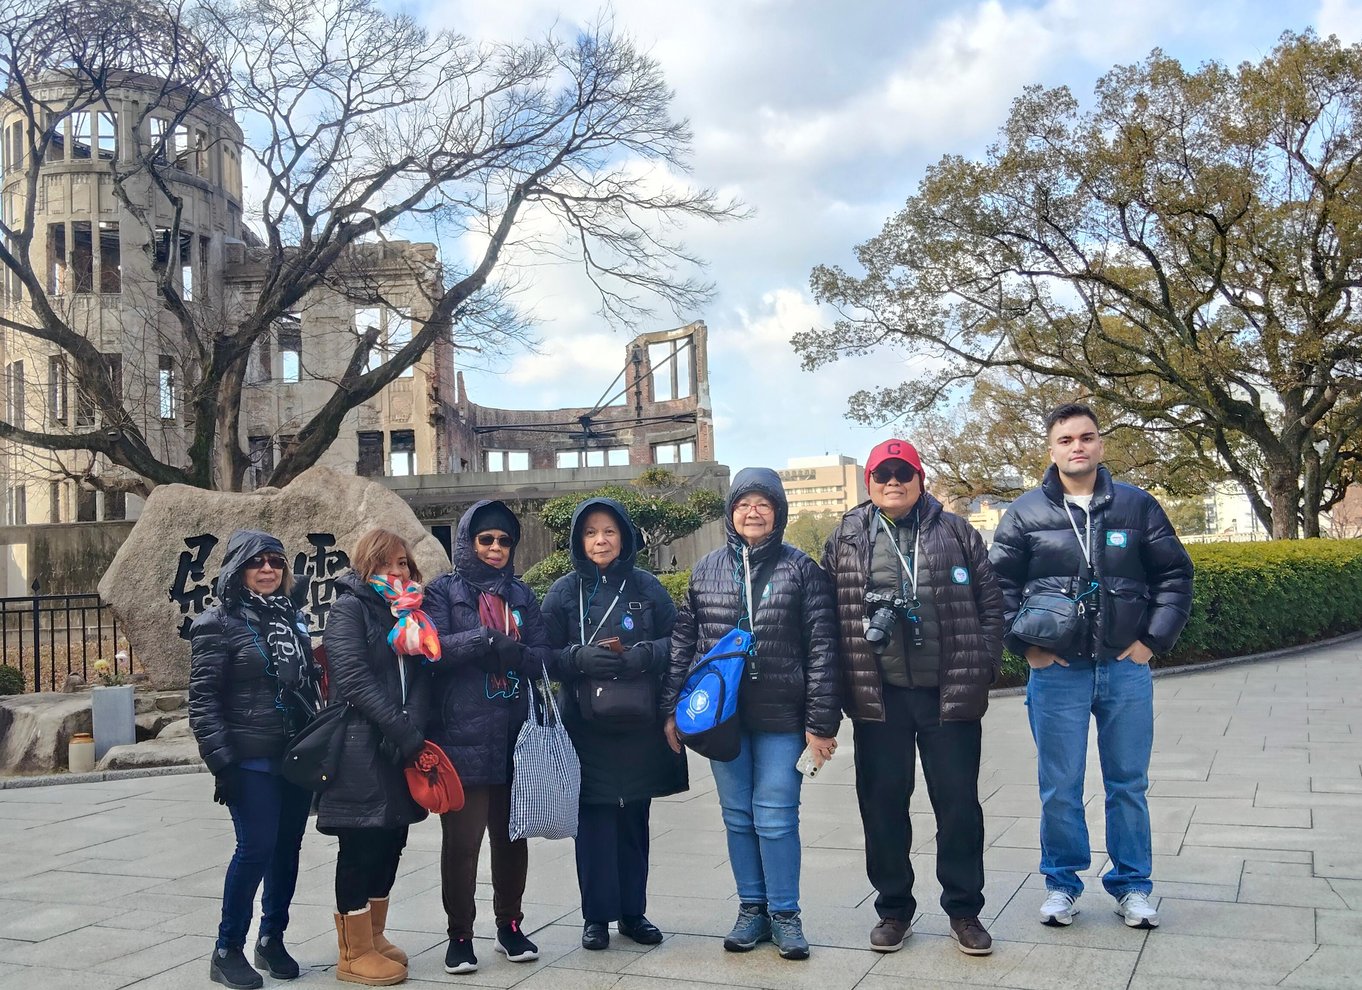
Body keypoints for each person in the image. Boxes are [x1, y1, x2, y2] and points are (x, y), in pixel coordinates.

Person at [990, 403, 1193, 930]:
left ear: (1100, 444)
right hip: (1057, 671)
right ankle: (1061, 883)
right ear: (1051, 448)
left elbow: (1174, 575)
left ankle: (1131, 886)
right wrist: (1024, 647)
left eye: (1086, 437)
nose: (1077, 447)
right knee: (1060, 785)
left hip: (1125, 669)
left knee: (1128, 783)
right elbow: (997, 590)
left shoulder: (1137, 506)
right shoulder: (1025, 512)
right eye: (1066, 440)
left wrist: (1152, 640)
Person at [821, 439, 1004, 957]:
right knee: (881, 806)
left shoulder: (955, 531)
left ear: (921, 478)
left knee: (959, 806)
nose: (894, 481)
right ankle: (893, 908)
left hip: (949, 695)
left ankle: (964, 909)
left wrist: (984, 665)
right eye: (884, 473)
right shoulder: (848, 538)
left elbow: (991, 602)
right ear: (869, 481)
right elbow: (827, 618)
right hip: (879, 699)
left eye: (905, 472)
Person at [660, 468, 839, 961]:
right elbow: (683, 644)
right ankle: (751, 910)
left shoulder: (802, 570)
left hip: (784, 716)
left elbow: (823, 649)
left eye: (763, 503)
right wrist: (671, 708)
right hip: (724, 718)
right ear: (730, 512)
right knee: (738, 817)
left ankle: (785, 914)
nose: (752, 512)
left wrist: (821, 724)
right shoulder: (706, 570)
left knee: (777, 816)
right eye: (743, 504)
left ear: (778, 512)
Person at [540, 497, 688, 951]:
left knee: (634, 821)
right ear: (578, 541)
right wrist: (575, 657)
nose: (600, 540)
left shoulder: (646, 586)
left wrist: (646, 654)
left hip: (639, 723)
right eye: (590, 533)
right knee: (594, 821)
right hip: (585, 726)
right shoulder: (563, 592)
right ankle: (596, 917)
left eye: (609, 531)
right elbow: (542, 655)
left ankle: (633, 912)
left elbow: (678, 639)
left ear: (623, 537)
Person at [425, 501, 552, 975]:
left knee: (511, 837)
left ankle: (510, 925)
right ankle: (460, 934)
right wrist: (484, 640)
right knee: (462, 843)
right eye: (486, 540)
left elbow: (542, 657)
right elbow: (431, 650)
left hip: (516, 734)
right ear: (467, 542)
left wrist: (510, 652)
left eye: (504, 540)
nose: (496, 548)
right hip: (462, 734)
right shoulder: (443, 591)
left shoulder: (521, 594)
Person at [190, 530, 321, 989]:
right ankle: (227, 949)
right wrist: (221, 763)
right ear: (237, 569)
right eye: (257, 562)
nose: (268, 570)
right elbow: (203, 699)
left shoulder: (291, 618)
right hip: (249, 757)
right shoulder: (217, 623)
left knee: (287, 850)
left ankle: (272, 938)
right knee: (255, 849)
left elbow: (308, 684)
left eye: (276, 562)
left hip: (295, 753)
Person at [316, 528, 437, 986]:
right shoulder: (350, 608)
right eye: (388, 561)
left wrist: (414, 725)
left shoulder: (410, 613)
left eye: (404, 562)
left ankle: (375, 934)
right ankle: (353, 951)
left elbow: (424, 670)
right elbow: (352, 676)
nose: (398, 569)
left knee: (393, 838)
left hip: (400, 744)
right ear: (367, 564)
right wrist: (399, 726)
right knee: (360, 842)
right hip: (360, 745)